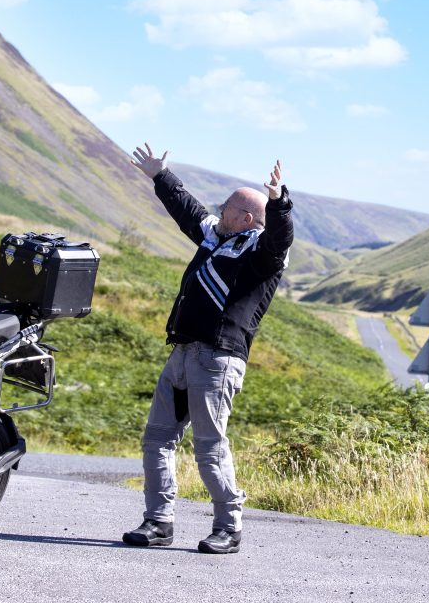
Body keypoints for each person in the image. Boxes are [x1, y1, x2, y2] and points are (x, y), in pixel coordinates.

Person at [123, 143, 294, 554]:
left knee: (209, 447)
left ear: (247, 218)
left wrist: (280, 203)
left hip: (217, 359)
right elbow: (188, 209)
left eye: (228, 206)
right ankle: (159, 521)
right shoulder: (216, 236)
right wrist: (159, 175)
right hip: (182, 353)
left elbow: (278, 237)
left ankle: (229, 527)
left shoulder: (261, 253)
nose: (219, 209)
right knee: (157, 439)